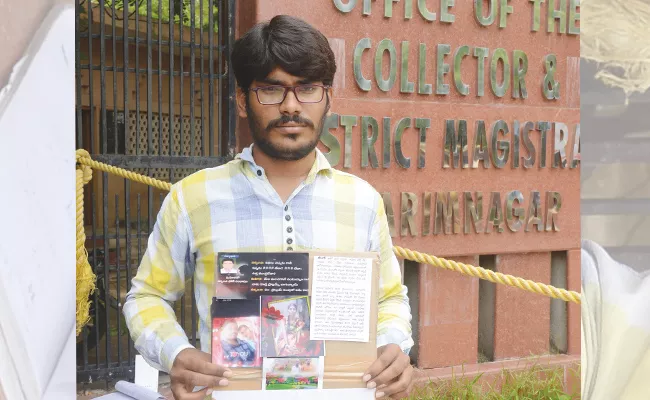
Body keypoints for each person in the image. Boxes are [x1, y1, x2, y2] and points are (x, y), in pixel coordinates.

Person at [123, 14, 414, 400]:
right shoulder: (193, 198)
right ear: (243, 101)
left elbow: (389, 298)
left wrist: (393, 347)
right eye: (271, 90)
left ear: (328, 97)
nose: (291, 106)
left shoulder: (362, 201)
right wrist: (176, 353)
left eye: (307, 88)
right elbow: (147, 296)